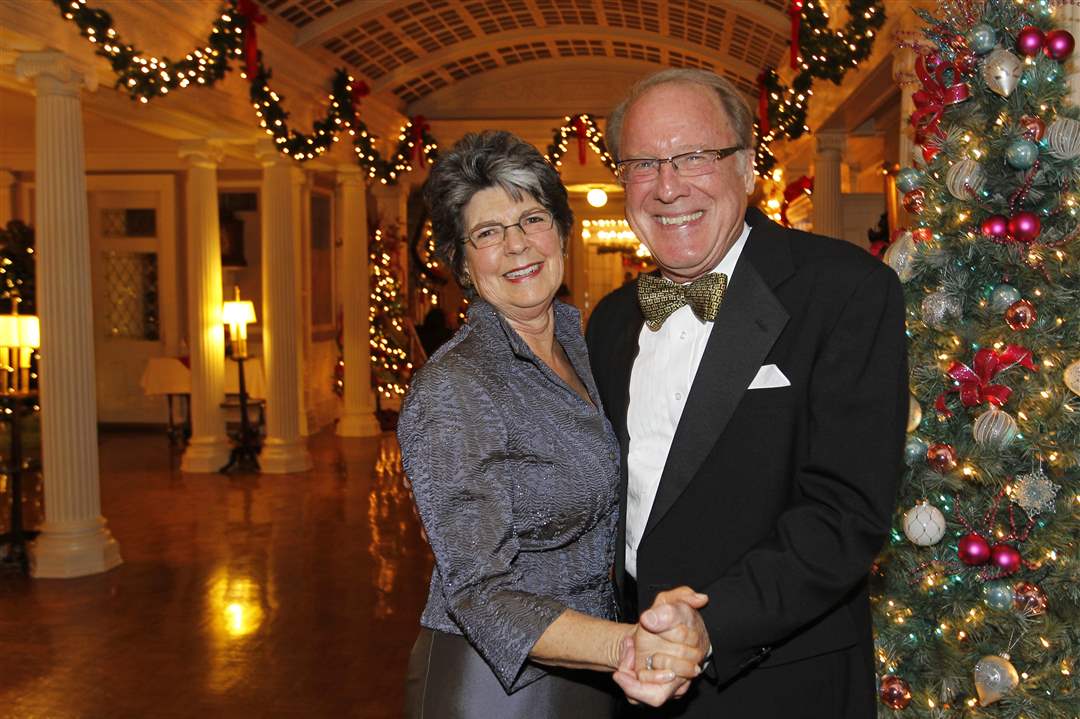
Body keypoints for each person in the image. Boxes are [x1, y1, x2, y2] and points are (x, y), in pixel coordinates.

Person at [586, 69, 908, 717]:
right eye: (644, 164)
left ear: (747, 166)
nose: (668, 187)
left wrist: (711, 627)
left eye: (695, 156)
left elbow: (844, 511)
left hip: (780, 683)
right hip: (630, 681)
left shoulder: (844, 290)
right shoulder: (612, 320)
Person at [399, 130, 710, 718]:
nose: (517, 245)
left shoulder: (582, 344)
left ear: (562, 232)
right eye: (488, 233)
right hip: (496, 687)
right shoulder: (455, 386)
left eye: (532, 219)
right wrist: (628, 646)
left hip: (589, 667)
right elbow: (478, 591)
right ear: (463, 263)